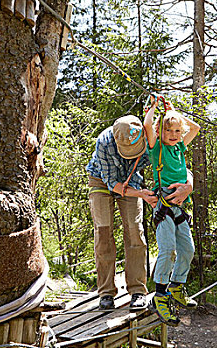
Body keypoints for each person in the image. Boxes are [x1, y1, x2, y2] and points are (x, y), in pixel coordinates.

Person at [86, 115, 193, 311]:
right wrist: (141, 194)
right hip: (100, 181)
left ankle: (137, 291)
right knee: (103, 233)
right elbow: (111, 182)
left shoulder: (151, 138)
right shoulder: (104, 142)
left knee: (135, 231)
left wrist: (189, 185)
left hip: (132, 182)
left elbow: (176, 163)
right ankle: (106, 293)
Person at [143, 97, 201, 326]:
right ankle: (160, 294)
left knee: (187, 249)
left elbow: (195, 128)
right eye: (170, 131)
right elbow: (148, 125)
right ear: (161, 131)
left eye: (178, 130)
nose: (175, 134)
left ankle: (177, 286)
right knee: (168, 249)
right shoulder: (157, 147)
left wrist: (173, 112)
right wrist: (156, 109)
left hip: (178, 206)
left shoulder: (179, 147)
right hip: (163, 203)